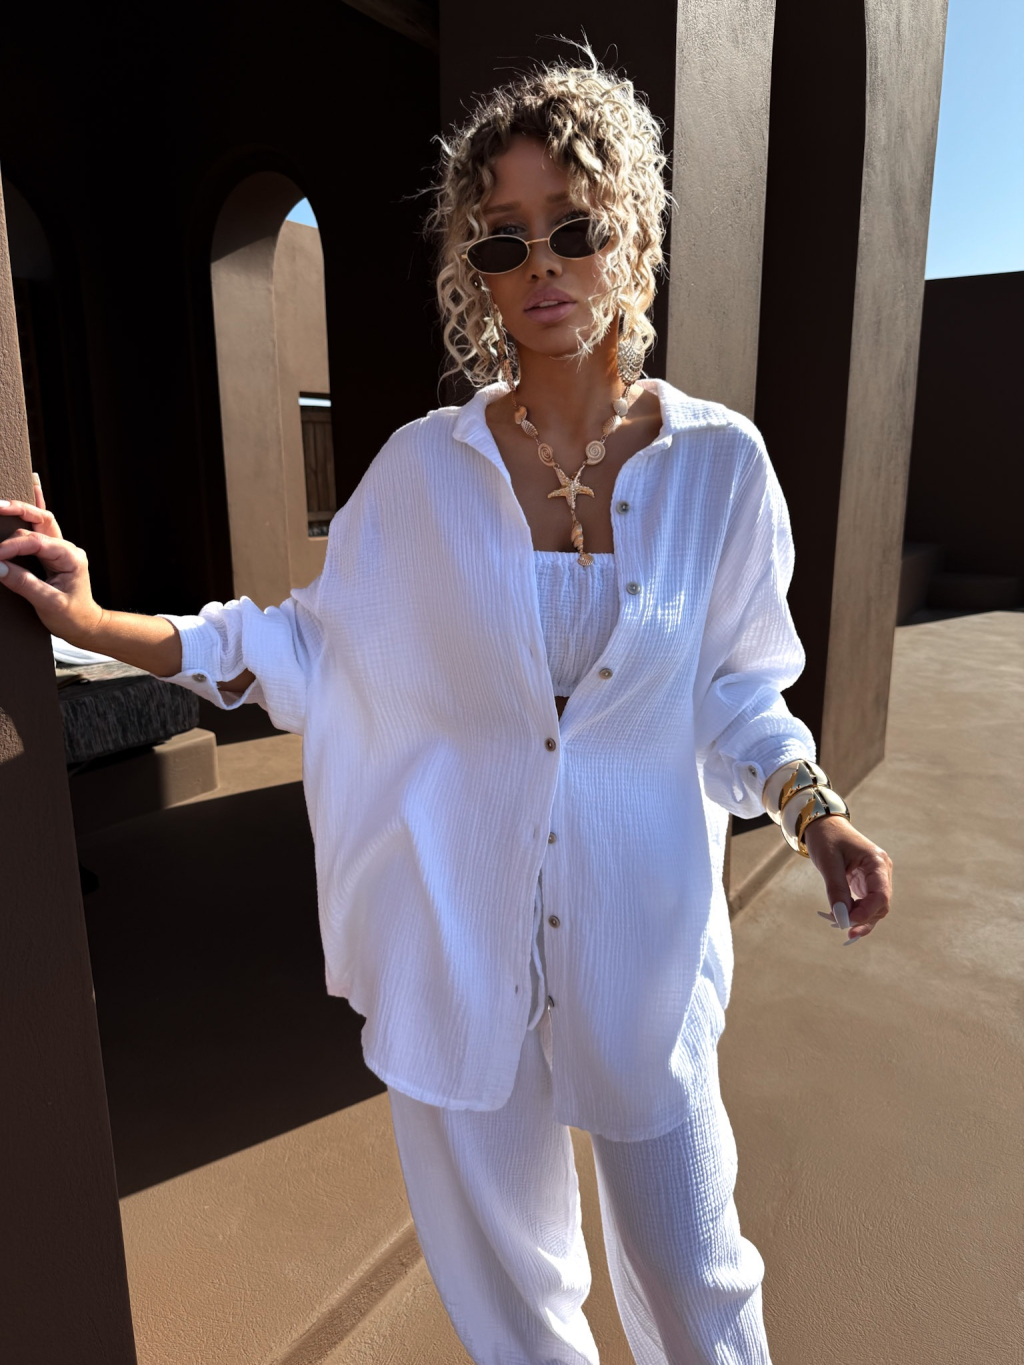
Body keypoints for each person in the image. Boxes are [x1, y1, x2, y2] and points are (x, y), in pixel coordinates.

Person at [0, 52, 893, 1365]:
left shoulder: (719, 467)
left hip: (642, 948)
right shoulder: (425, 473)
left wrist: (814, 812)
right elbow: (301, 644)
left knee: (700, 1281)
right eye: (503, 239)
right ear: (474, 269)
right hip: (457, 946)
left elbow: (736, 691)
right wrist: (96, 623)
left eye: (575, 227)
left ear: (632, 234)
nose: (542, 266)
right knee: (516, 1308)